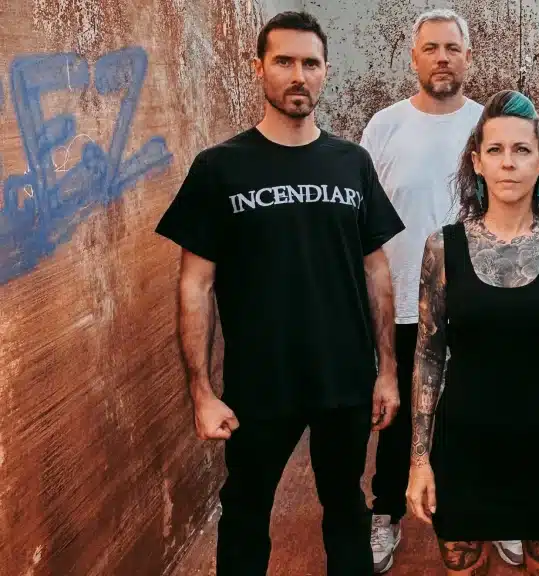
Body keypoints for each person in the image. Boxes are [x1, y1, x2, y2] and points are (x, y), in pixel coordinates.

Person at [154, 11, 405, 576]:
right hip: (260, 383)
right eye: (284, 61)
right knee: (246, 512)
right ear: (258, 68)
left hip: (344, 378)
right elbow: (195, 284)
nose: (298, 75)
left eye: (310, 63)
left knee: (346, 509)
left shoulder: (352, 163)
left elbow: (377, 272)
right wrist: (201, 391)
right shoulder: (220, 167)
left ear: (326, 71)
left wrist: (387, 371)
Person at [404, 90, 539, 575]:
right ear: (477, 162)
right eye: (495, 150)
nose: (508, 162)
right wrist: (419, 460)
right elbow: (428, 357)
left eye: (521, 150)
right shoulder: (442, 248)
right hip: (463, 445)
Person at [357, 8, 494, 573]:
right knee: (399, 417)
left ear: (468, 58)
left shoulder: (489, 125)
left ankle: (490, 513)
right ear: (414, 57)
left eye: (452, 49)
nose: (442, 58)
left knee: (481, 411)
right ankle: (386, 512)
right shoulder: (383, 127)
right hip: (404, 302)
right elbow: (364, 220)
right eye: (431, 48)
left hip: (477, 302)